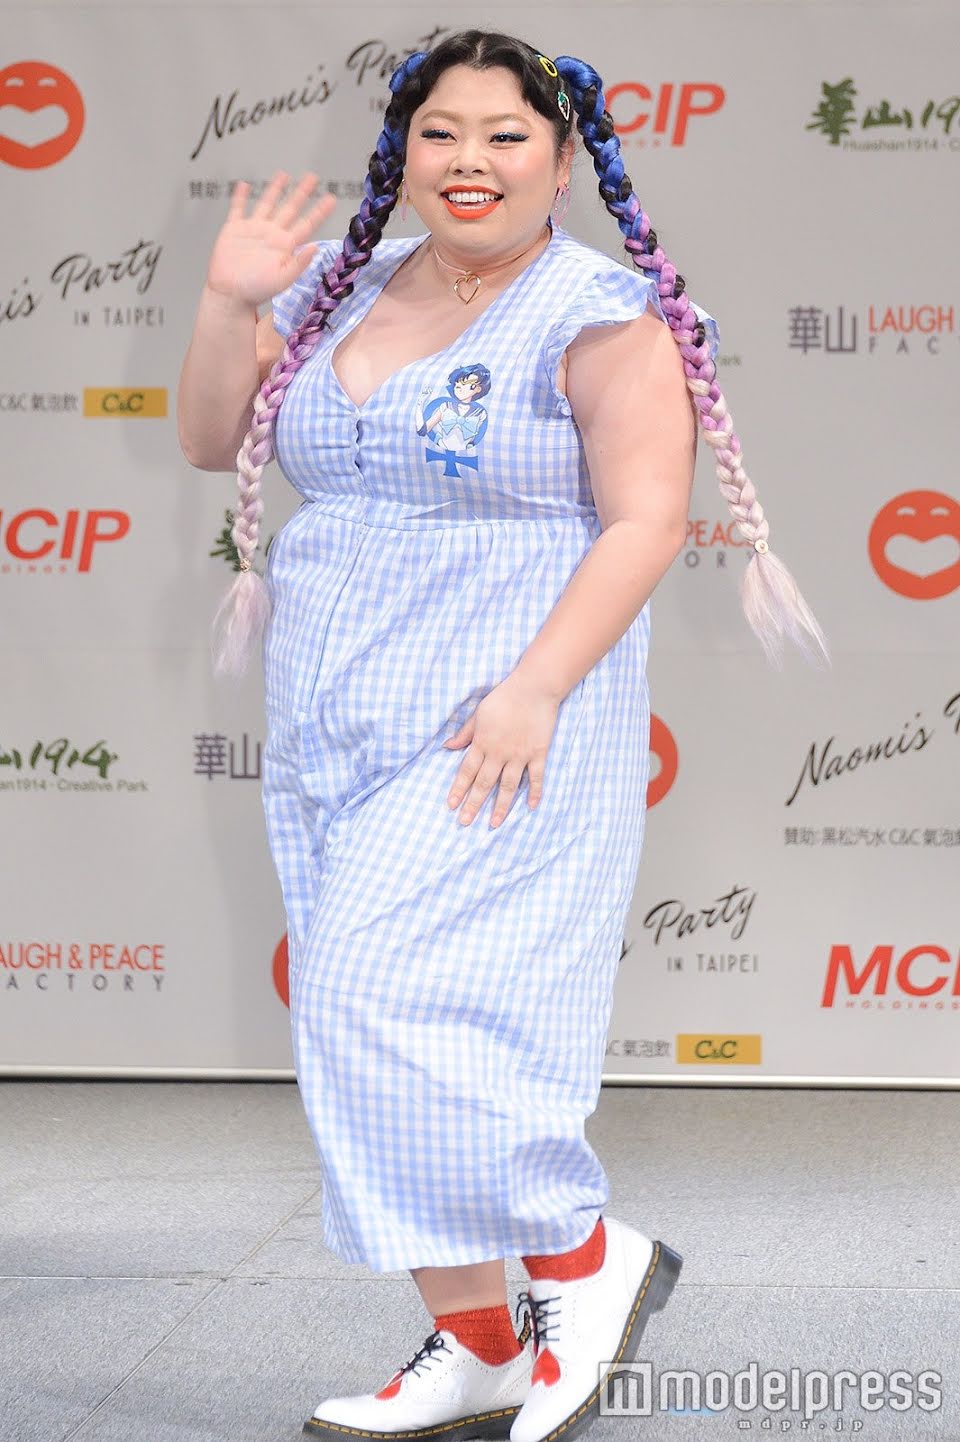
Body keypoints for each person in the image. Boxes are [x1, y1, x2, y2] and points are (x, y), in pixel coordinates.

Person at [178, 28, 829, 1442]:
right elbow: (213, 436)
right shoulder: (341, 287)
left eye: (504, 135)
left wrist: (533, 689)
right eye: (440, 132)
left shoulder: (601, 312)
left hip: (504, 712)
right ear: (401, 151)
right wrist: (231, 304)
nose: (468, 160)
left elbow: (646, 520)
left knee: (383, 996)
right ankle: (479, 1342)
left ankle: (585, 1258)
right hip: (334, 709)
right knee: (350, 1018)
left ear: (564, 157)